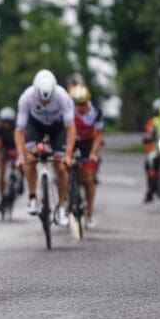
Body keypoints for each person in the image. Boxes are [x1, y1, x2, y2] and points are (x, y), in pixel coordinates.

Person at [14, 69, 77, 226]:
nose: (44, 103)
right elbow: (19, 130)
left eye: (48, 100)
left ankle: (61, 207)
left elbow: (70, 128)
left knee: (61, 166)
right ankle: (33, 197)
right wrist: (21, 155)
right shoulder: (26, 98)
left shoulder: (63, 97)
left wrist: (68, 155)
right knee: (29, 159)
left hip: (58, 126)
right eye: (41, 100)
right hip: (36, 126)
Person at [69, 84, 104, 228]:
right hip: (71, 142)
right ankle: (66, 200)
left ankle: (89, 212)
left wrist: (93, 154)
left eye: (82, 104)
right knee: (63, 169)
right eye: (76, 104)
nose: (79, 107)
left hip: (88, 144)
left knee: (89, 179)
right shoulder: (67, 111)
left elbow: (99, 135)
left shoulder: (96, 112)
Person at [0, 106, 21, 211]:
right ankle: (2, 196)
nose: (7, 124)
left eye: (9, 122)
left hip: (16, 146)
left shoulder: (18, 126)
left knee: (23, 164)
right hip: (5, 148)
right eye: (5, 121)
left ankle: (21, 182)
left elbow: (23, 140)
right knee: (1, 172)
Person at [142, 98, 160, 202]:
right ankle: (151, 188)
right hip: (157, 150)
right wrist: (150, 150)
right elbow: (147, 137)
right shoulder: (152, 122)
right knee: (149, 163)